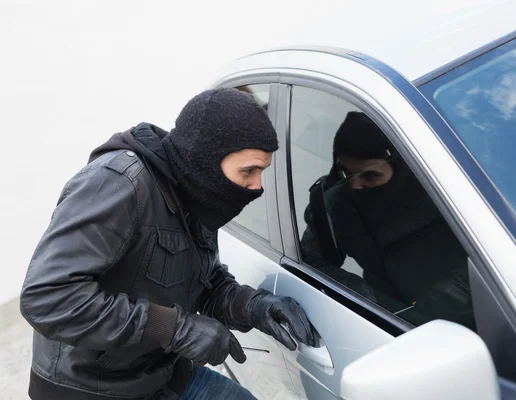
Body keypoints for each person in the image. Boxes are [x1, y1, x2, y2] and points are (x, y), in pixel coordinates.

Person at [20, 88, 315, 400]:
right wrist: (176, 329)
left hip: (162, 377)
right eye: (248, 171)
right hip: (91, 388)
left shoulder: (197, 193)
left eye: (261, 172)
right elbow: (47, 297)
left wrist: (251, 306)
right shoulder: (119, 183)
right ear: (207, 159)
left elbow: (202, 280)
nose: (257, 186)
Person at [300, 111, 474, 328]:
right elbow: (312, 260)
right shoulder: (334, 202)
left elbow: (492, 250)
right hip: (386, 319)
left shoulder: (444, 191)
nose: (354, 185)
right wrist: (361, 294)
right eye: (345, 173)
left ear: (401, 168)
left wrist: (453, 291)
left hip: (472, 313)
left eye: (370, 175)